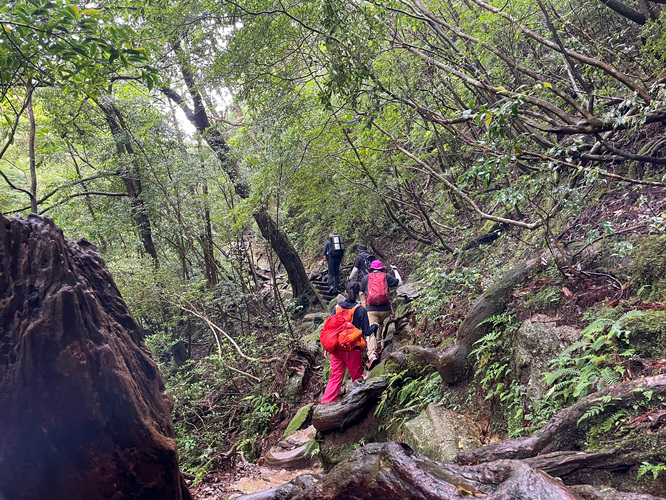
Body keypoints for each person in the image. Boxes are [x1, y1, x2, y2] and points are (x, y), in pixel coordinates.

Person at [321, 281, 377, 403]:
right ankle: (359, 403)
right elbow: (367, 332)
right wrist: (375, 326)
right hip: (353, 349)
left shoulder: (337, 308)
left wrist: (327, 347)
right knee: (356, 377)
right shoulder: (360, 310)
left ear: (345, 292)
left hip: (336, 348)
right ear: (358, 295)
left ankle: (326, 404)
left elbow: (330, 329)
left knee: (335, 378)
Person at [360, 260, 402, 370]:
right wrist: (395, 270)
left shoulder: (366, 278)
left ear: (371, 268)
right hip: (385, 310)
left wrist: (364, 307)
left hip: (371, 310)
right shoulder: (386, 276)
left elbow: (361, 293)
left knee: (371, 332)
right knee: (381, 326)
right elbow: (400, 283)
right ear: (381, 268)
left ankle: (372, 355)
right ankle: (381, 348)